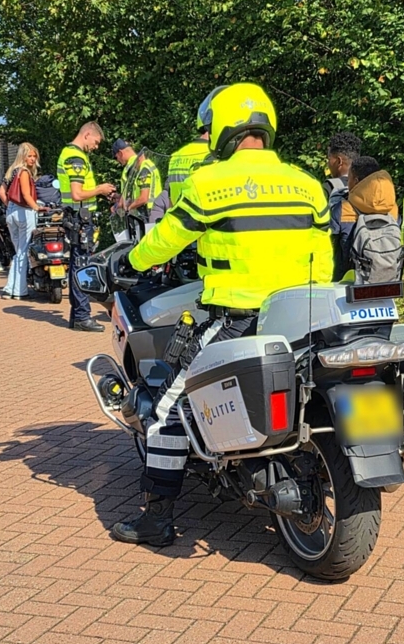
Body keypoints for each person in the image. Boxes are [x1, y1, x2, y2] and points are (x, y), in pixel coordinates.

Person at [111, 82, 334, 547]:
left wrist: (127, 262)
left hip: (236, 318)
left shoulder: (209, 183)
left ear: (224, 129)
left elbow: (164, 241)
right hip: (302, 320)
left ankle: (157, 519)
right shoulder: (308, 185)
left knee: (165, 408)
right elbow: (325, 258)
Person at [57, 121, 115, 332]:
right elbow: (77, 193)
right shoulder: (76, 158)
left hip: (76, 218)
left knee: (77, 263)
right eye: (96, 142)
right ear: (87, 134)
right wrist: (100, 189)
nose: (96, 147)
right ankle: (82, 316)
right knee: (82, 265)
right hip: (80, 219)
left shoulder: (70, 154)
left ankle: (77, 316)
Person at [147, 86, 226, 223]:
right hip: (209, 233)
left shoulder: (176, 156)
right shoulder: (217, 156)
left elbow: (170, 201)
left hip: (182, 232)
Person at [330, 155, 399, 282]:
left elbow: (330, 248)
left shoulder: (342, 209)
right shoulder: (393, 209)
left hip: (347, 283)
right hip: (387, 284)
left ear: (356, 181)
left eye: (349, 178)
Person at [2, 143, 44, 300]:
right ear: (23, 156)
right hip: (24, 212)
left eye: (34, 156)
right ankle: (19, 290)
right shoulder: (24, 172)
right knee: (23, 251)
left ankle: (9, 288)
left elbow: (1, 191)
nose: (33, 159)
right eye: (30, 156)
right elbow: (26, 195)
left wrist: (10, 207)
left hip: (11, 211)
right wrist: (37, 208)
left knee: (18, 251)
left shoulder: (12, 170)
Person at [112, 140, 162, 237]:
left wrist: (128, 208)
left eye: (116, 157)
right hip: (154, 211)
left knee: (147, 246)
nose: (117, 161)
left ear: (120, 153)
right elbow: (134, 194)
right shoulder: (147, 165)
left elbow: (143, 198)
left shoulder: (139, 169)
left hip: (149, 213)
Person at [324, 131, 361, 200]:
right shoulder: (369, 185)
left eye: (329, 159)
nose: (328, 163)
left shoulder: (329, 187)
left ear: (339, 161)